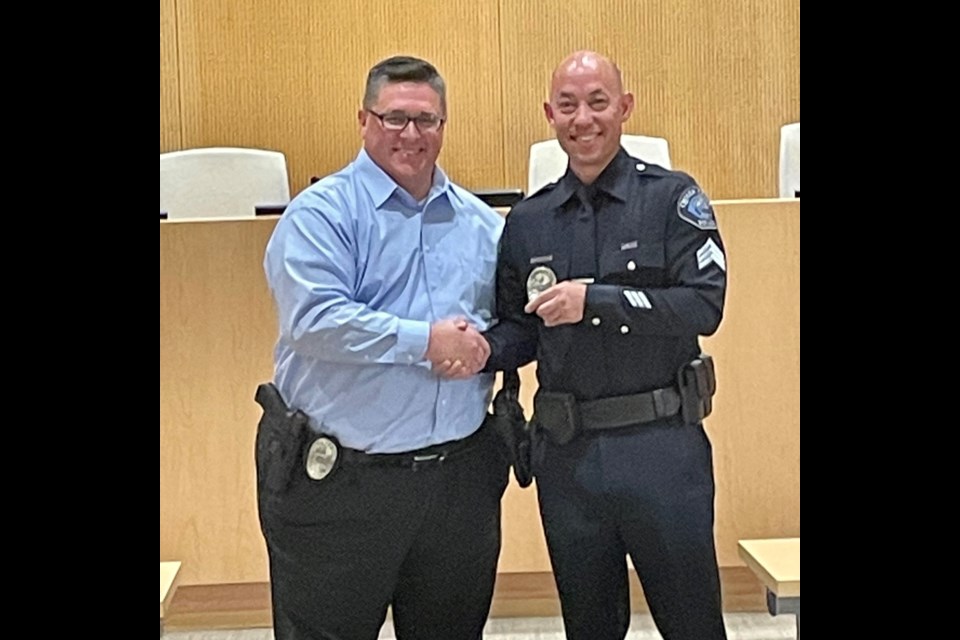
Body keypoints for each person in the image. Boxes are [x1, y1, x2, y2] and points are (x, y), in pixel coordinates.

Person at [256, 55, 509, 640]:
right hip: (341, 489)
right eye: (395, 118)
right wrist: (427, 343)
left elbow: (504, 327)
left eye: (427, 121)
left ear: (444, 126)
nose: (412, 135)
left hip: (457, 488)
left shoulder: (482, 225)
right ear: (364, 120)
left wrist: (484, 348)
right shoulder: (320, 216)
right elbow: (315, 318)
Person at [482, 51, 729, 640]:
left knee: (692, 623)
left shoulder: (670, 199)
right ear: (549, 114)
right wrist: (476, 350)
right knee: (589, 626)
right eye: (567, 105)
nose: (583, 119)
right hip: (569, 458)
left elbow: (704, 305)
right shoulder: (528, 221)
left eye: (597, 102)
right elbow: (520, 332)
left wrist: (597, 301)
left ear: (624, 108)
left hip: (662, 446)